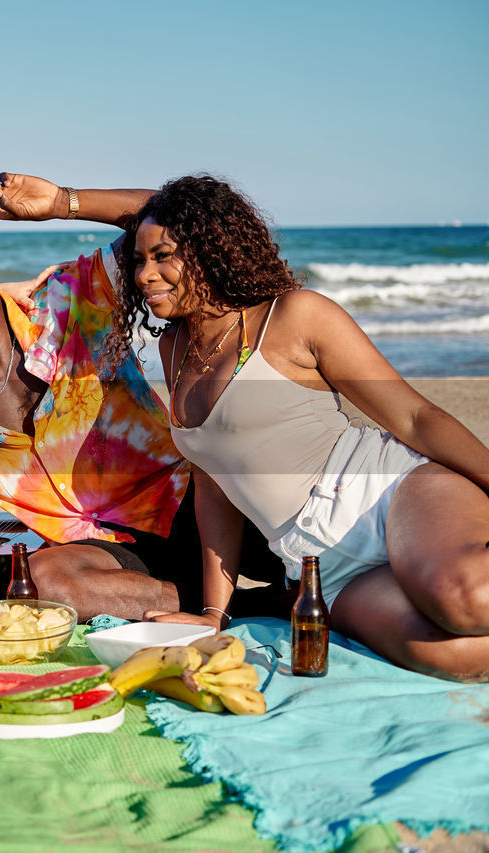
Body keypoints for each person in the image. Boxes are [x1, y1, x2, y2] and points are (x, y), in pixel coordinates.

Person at [0, 173, 290, 621]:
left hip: (191, 499)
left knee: (321, 566)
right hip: (101, 543)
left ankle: (255, 591)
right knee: (48, 583)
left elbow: (176, 216)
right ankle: (247, 608)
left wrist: (64, 203)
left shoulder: (71, 298)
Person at [108, 174, 489, 682]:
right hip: (315, 562)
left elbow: (414, 416)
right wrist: (211, 615)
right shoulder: (172, 350)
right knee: (449, 656)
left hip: (387, 492)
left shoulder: (295, 316)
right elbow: (213, 488)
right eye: (139, 260)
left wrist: (65, 204)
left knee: (467, 601)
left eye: (164, 256)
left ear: (210, 251)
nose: (144, 275)